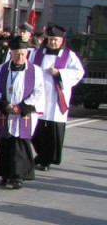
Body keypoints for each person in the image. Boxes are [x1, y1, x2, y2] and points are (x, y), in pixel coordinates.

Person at [0, 36, 46, 189]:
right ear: (11, 53)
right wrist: (6, 105)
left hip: (23, 113)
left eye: (22, 54)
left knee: (20, 144)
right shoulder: (0, 70)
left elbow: (39, 91)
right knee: (5, 142)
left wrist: (22, 107)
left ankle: (18, 176)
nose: (20, 57)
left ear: (26, 53)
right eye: (16, 54)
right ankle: (5, 174)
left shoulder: (35, 71)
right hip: (5, 112)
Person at [31, 24, 85, 172]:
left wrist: (60, 73)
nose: (53, 42)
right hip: (39, 98)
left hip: (56, 99)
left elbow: (78, 72)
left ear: (62, 40)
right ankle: (41, 154)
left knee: (52, 133)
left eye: (56, 40)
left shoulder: (69, 56)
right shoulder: (37, 54)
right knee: (36, 131)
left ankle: (47, 160)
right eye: (50, 39)